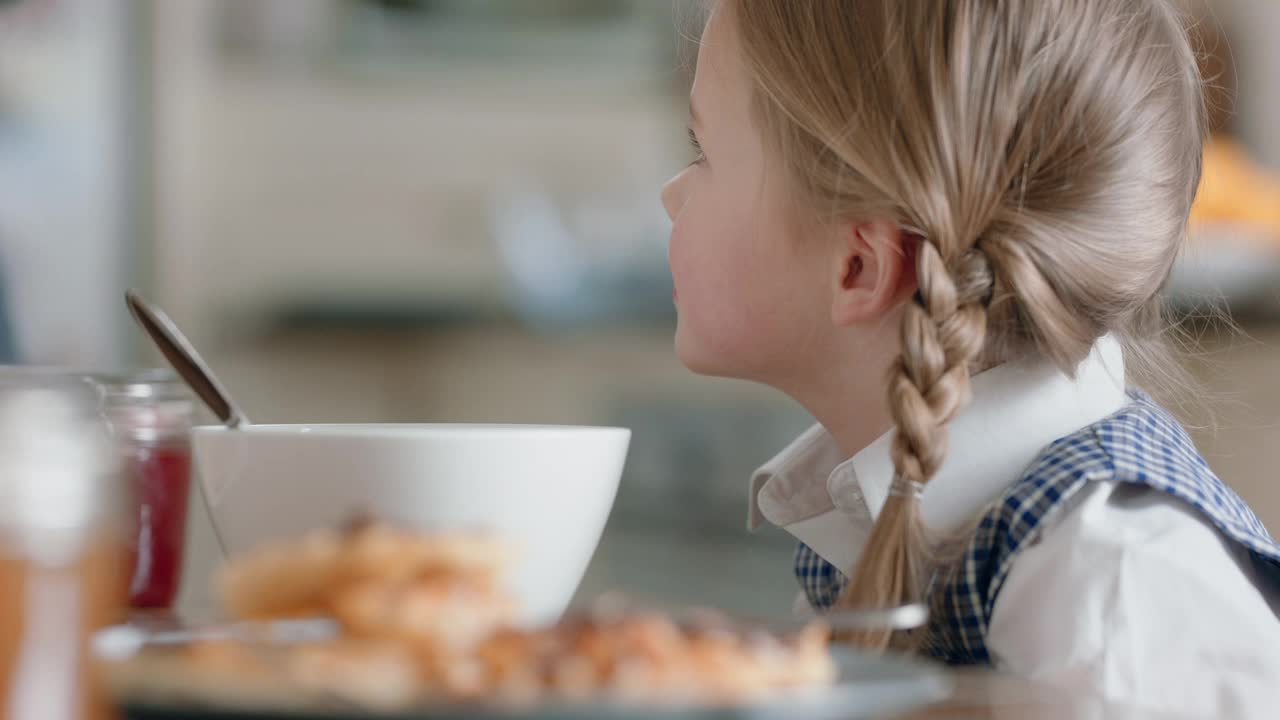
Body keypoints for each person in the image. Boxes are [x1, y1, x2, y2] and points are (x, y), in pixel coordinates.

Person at [660, 1, 1280, 714]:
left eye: (701, 152)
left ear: (858, 266)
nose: (671, 194)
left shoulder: (1115, 599)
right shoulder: (878, 523)